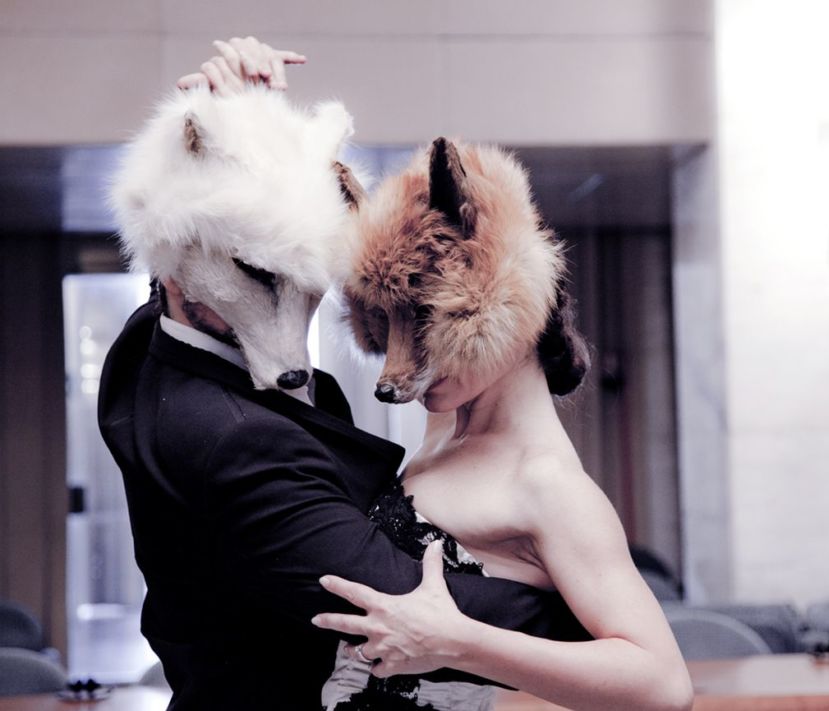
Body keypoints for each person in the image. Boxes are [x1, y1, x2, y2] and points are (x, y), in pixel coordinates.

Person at [98, 38, 587, 711]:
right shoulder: (228, 437)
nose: (295, 353)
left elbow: (205, 253)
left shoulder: (146, 350)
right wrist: (593, 627)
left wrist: (237, 141)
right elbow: (391, 594)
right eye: (260, 277)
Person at [306, 132, 693, 711]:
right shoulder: (444, 430)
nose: (398, 367)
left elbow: (663, 685)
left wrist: (459, 642)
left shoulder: (547, 484)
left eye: (429, 318)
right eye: (393, 323)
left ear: (498, 302)